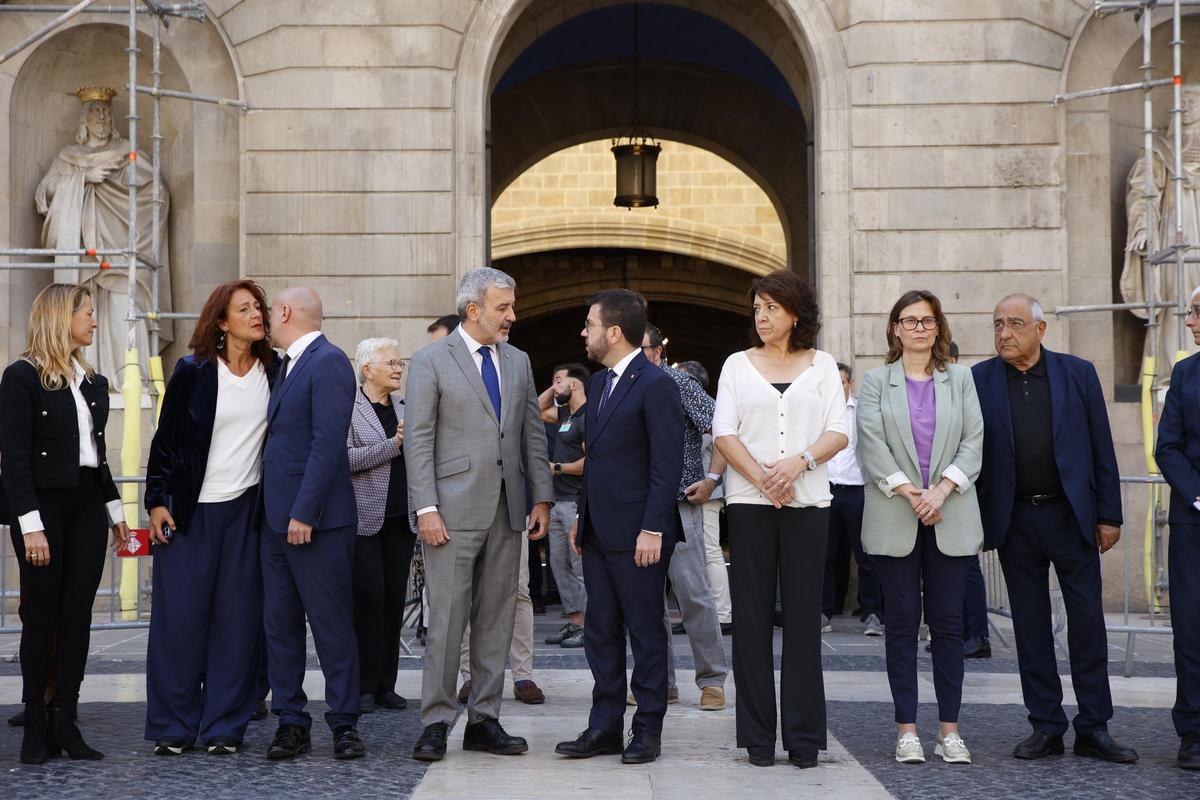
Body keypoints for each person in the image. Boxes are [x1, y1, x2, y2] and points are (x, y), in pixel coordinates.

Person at [974, 294, 1137, 764]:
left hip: (1072, 517)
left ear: (1040, 330)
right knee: (1030, 627)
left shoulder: (1077, 373)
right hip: (1017, 520)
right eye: (998, 323)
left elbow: (1101, 447)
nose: (1004, 333)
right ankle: (1045, 725)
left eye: (1015, 323)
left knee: (1087, 624)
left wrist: (1109, 515)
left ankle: (1094, 726)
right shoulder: (980, 379)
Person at [405, 268, 553, 763]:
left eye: (512, 306)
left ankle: (484, 720)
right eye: (503, 307)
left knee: (496, 619)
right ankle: (436, 721)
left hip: (508, 511)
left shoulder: (519, 360)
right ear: (474, 310)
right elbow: (419, 440)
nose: (512, 316)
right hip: (449, 511)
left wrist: (541, 498)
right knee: (446, 622)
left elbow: (533, 433)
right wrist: (425, 507)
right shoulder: (430, 361)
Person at [712, 270, 848, 769]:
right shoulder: (735, 365)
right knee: (748, 622)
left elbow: (839, 431)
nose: (762, 316)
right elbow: (724, 432)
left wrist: (799, 463)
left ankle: (805, 737)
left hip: (809, 503)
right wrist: (764, 478)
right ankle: (757, 738)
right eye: (757, 309)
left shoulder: (824, 365)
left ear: (795, 313)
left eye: (771, 307)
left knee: (802, 621)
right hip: (750, 506)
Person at [143, 280, 276, 756]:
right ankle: (173, 725)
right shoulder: (193, 371)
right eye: (245, 308)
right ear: (222, 321)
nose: (257, 314)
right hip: (189, 514)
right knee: (179, 622)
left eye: (259, 306)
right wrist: (156, 500)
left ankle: (225, 725)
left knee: (238, 623)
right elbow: (166, 441)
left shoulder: (275, 372)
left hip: (247, 513)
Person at [0, 283, 131, 764]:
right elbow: (13, 460)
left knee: (78, 616)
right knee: (40, 617)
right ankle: (35, 725)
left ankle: (66, 722)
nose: (95, 322)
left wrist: (116, 515)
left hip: (86, 508)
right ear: (62, 317)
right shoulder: (20, 377)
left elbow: (97, 459)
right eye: (88, 314)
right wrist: (30, 526)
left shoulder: (93, 383)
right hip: (42, 510)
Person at [554, 289, 683, 765]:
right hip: (599, 532)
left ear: (613, 331)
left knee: (646, 633)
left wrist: (653, 528)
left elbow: (665, 466)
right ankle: (603, 726)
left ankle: (646, 729)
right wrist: (583, 521)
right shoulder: (604, 383)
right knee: (601, 632)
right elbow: (603, 462)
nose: (583, 332)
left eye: (589, 324)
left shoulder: (656, 383)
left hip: (640, 537)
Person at [856, 289, 983, 766]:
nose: (918, 328)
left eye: (926, 321)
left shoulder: (962, 379)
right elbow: (872, 445)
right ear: (894, 329)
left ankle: (949, 731)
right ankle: (907, 729)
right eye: (909, 321)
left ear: (938, 327)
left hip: (950, 512)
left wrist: (941, 491)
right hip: (897, 513)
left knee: (949, 625)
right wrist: (912, 493)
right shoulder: (875, 383)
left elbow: (974, 441)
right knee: (902, 624)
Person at [260, 287, 363, 761]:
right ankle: (291, 722)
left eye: (268, 311)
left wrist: (305, 511)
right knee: (280, 626)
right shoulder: (285, 365)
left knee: (331, 626)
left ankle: (344, 724)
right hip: (274, 523)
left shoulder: (329, 361)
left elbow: (328, 442)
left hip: (315, 523)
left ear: (284, 312)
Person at [639, 325, 730, 711]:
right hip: (637, 507)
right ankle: (661, 682)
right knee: (646, 603)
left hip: (680, 503)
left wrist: (712, 480)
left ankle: (712, 680)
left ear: (658, 351)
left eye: (640, 347)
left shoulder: (680, 384)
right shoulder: (619, 384)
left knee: (694, 595)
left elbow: (723, 431)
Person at [347, 337, 416, 714]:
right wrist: (392, 445)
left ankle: (387, 684)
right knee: (368, 600)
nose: (397, 368)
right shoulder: (349, 409)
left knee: (392, 603)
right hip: (362, 522)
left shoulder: (408, 407)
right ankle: (363, 685)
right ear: (367, 369)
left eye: (399, 362)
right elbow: (343, 459)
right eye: (390, 362)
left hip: (400, 521)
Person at [1155, 284, 1200, 770]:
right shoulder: (1186, 374)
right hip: (1194, 521)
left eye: (1196, 312)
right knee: (1191, 627)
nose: (1189, 322)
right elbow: (1167, 446)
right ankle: (1193, 731)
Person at [824, 361, 883, 637]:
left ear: (850, 384)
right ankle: (824, 612)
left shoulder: (861, 412)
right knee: (825, 555)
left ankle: (872, 612)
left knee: (865, 554)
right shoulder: (818, 413)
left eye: (843, 383)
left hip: (857, 490)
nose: (839, 388)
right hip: (825, 491)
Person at [677, 361, 732, 635]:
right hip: (697, 491)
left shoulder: (705, 407)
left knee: (710, 551)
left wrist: (712, 482)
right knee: (700, 554)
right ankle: (702, 614)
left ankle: (722, 614)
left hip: (707, 491)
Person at [539, 363, 590, 649]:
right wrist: (555, 387)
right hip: (557, 502)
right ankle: (576, 622)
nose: (554, 386)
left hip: (576, 502)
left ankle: (592, 626)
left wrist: (557, 468)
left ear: (575, 384)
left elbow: (591, 462)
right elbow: (533, 410)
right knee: (559, 566)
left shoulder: (588, 416)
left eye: (559, 381)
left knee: (580, 567)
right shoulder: (564, 415)